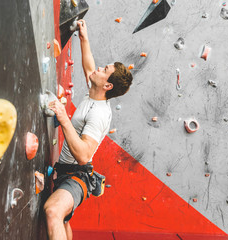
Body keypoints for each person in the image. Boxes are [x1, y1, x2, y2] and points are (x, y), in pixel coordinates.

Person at [44, 19, 133, 240]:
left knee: (53, 211)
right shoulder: (95, 93)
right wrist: (84, 37)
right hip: (65, 171)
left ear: (108, 85)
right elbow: (89, 66)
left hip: (78, 176)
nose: (99, 69)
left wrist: (64, 118)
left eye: (105, 70)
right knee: (63, 219)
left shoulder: (99, 113)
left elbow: (83, 155)